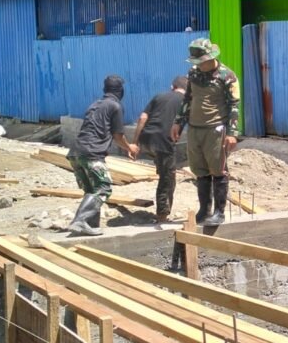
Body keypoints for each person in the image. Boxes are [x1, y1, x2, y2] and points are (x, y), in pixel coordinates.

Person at [170, 39, 240, 227]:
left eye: (201, 61)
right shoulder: (193, 74)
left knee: (218, 170)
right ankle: (204, 210)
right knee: (200, 171)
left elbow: (234, 105)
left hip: (215, 129)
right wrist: (178, 122)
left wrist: (232, 133)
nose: (199, 65)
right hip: (195, 128)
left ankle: (219, 212)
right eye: (196, 62)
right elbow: (188, 99)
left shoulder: (227, 76)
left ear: (211, 58)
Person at [66, 75, 139, 237]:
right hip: (92, 154)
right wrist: (130, 147)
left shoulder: (95, 105)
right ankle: (80, 221)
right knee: (103, 188)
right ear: (120, 91)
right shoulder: (115, 106)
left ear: (104, 89)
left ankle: (90, 226)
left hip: (75, 154)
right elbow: (118, 136)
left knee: (91, 190)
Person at [133, 75, 188, 223]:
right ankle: (162, 216)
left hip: (146, 139)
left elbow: (142, 118)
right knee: (167, 178)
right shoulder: (187, 102)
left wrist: (135, 142)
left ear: (173, 87)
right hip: (164, 141)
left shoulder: (159, 96)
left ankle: (160, 166)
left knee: (164, 169)